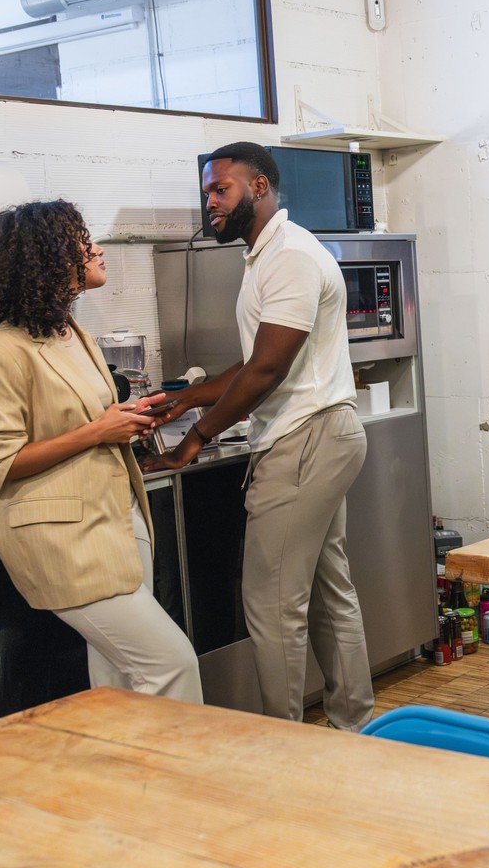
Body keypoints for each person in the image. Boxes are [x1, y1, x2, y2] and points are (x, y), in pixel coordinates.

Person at [145, 142, 375, 732]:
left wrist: (197, 434)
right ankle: (353, 727)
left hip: (305, 438)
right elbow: (258, 361)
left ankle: (284, 741)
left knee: (272, 606)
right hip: (321, 432)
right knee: (328, 592)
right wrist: (190, 395)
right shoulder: (265, 256)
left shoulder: (290, 257)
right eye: (206, 193)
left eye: (221, 190)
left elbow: (268, 371)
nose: (210, 203)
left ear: (260, 188)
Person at [0, 200, 203, 705]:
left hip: (116, 518)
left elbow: (87, 420)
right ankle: (183, 781)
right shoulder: (3, 349)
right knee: (170, 664)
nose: (98, 249)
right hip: (67, 539)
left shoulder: (68, 331)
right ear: (47, 257)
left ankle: (126, 781)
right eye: (83, 242)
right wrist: (98, 431)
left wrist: (129, 419)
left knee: (118, 679)